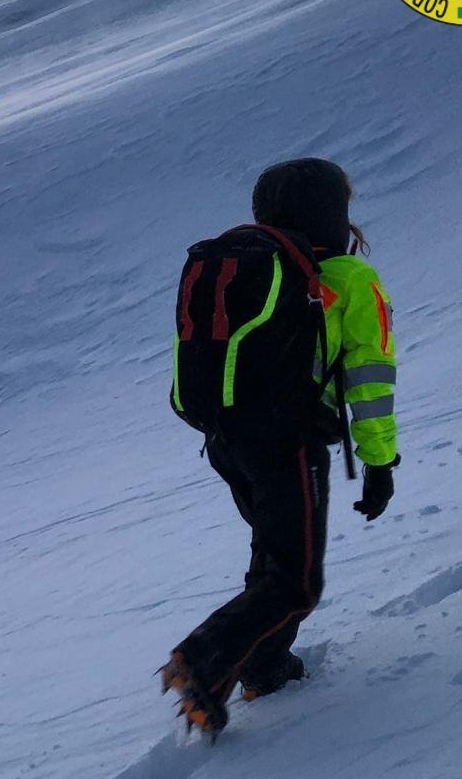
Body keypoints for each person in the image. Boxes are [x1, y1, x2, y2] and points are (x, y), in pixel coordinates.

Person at [161, 157, 399, 737]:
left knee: (274, 555)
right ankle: (202, 660)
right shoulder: (348, 279)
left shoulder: (248, 269)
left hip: (227, 440)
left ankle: (265, 667)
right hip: (287, 442)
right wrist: (379, 462)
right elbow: (368, 379)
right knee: (295, 581)